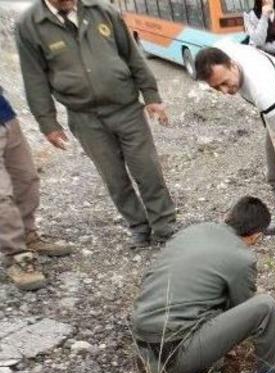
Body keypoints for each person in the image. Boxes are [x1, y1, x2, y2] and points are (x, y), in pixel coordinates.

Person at [16, 0, 176, 249]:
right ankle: (139, 228)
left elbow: (132, 55)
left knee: (147, 169)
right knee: (114, 178)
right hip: (85, 118)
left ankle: (165, 226)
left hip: (127, 109)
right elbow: (33, 77)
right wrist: (47, 122)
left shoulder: (103, 11)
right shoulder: (29, 25)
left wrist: (151, 96)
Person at [132, 196, 275, 373]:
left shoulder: (193, 231)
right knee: (266, 306)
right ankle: (274, 371)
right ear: (256, 236)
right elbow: (244, 306)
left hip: (142, 347)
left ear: (228, 215)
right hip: (175, 357)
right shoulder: (241, 258)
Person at [194, 43, 275, 243]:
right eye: (217, 87)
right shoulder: (223, 50)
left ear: (232, 65)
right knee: (273, 175)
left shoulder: (262, 88)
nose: (225, 91)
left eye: (225, 82)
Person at [0, 86, 74, 291]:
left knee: (26, 179)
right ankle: (16, 254)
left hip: (5, 116)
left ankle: (27, 235)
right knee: (1, 196)